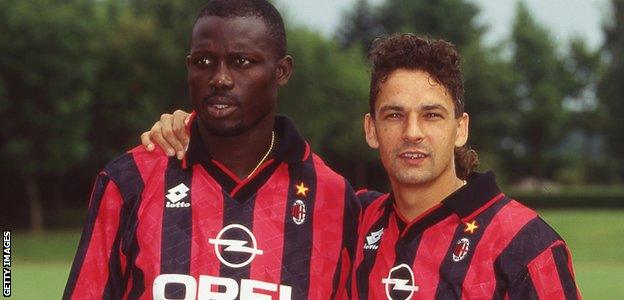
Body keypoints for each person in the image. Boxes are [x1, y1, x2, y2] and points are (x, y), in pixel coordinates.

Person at [144, 35, 582, 299]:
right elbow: (263, 181)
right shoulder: (352, 220)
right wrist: (195, 127)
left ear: (460, 128)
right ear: (371, 130)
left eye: (432, 115)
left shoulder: (527, 247)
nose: (412, 132)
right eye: (394, 115)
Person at [64, 1, 359, 299]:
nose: (220, 79)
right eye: (204, 62)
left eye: (241, 62)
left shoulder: (332, 198)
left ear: (281, 71)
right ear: (189, 67)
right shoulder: (131, 180)